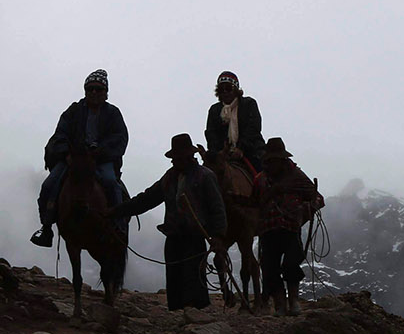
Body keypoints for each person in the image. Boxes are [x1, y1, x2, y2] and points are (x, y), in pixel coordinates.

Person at [110, 134, 227, 310]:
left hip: (194, 236)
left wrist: (218, 236)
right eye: (173, 159)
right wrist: (117, 212)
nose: (174, 162)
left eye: (177, 158)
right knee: (175, 280)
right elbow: (147, 199)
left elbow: (217, 208)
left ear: (188, 157)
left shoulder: (205, 176)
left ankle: (196, 316)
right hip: (173, 235)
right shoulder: (170, 177)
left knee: (193, 278)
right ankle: (181, 316)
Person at [32, 69, 129, 247]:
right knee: (49, 185)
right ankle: (46, 228)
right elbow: (60, 133)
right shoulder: (74, 111)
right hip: (73, 158)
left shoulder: (113, 113)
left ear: (105, 93)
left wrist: (100, 151)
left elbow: (120, 137)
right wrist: (66, 154)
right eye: (90, 88)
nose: (94, 92)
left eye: (98, 89)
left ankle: (118, 224)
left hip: (101, 159)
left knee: (111, 183)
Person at [258, 138, 323, 315]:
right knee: (269, 268)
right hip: (267, 229)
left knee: (291, 264)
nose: (272, 164)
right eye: (269, 161)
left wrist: (307, 209)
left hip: (291, 227)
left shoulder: (297, 176)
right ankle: (280, 304)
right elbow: (254, 202)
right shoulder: (261, 179)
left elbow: (317, 198)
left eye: (275, 160)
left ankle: (293, 301)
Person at [204, 71, 266, 173]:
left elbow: (253, 128)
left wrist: (241, 148)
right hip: (223, 155)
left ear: (236, 89)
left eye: (228, 88)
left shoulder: (249, 104)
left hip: (251, 151)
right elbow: (211, 133)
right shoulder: (214, 110)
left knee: (265, 173)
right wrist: (219, 152)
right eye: (221, 89)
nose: (225, 92)